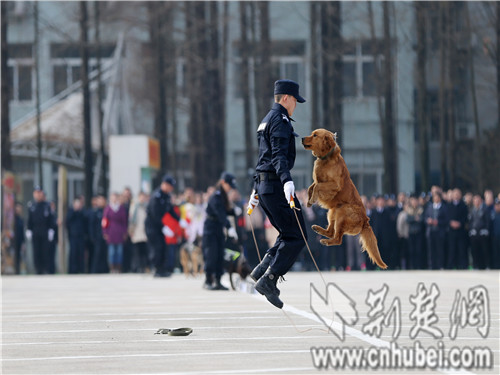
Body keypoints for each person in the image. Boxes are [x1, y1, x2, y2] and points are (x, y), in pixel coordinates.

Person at [247, 79, 307, 309]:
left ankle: (263, 268)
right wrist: (287, 181)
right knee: (297, 235)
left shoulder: (265, 120)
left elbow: (263, 158)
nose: (296, 105)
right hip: (275, 186)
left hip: (265, 187)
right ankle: (269, 280)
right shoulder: (280, 120)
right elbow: (278, 157)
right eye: (295, 101)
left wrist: (255, 189)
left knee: (287, 232)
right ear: (285, 98)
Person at [202, 172, 239, 290]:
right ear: (223, 182)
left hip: (218, 228)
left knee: (219, 255)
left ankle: (218, 280)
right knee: (211, 255)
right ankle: (208, 280)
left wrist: (234, 211)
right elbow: (220, 214)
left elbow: (224, 212)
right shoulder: (216, 196)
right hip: (211, 229)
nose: (230, 189)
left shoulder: (222, 196)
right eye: (229, 185)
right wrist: (229, 227)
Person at [145, 174, 180, 277]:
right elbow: (155, 215)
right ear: (164, 184)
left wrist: (179, 220)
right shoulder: (156, 196)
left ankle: (162, 269)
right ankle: (156, 269)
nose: (171, 189)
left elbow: (170, 210)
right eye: (170, 186)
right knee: (157, 247)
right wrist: (164, 227)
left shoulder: (166, 196)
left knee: (163, 247)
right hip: (152, 226)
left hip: (159, 226)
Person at [26, 186, 55, 274]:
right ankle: (38, 270)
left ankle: (45, 269)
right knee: (36, 251)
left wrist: (51, 230)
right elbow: (29, 220)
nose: (38, 195)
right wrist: (28, 230)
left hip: (45, 231)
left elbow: (51, 219)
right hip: (35, 231)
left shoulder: (47, 205)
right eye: (36, 193)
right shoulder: (31, 205)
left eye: (40, 192)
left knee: (45, 251)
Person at [102, 192, 129, 273]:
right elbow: (104, 221)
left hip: (119, 232)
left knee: (119, 251)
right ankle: (112, 267)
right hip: (110, 232)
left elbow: (124, 221)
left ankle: (118, 267)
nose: (114, 199)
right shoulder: (108, 208)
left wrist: (125, 232)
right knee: (112, 252)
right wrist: (105, 232)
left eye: (115, 198)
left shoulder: (121, 208)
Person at [424, 192, 449, 270]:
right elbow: (425, 217)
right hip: (431, 231)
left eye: (437, 197)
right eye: (435, 197)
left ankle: (440, 265)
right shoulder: (429, 207)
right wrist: (428, 221)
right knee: (431, 250)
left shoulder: (444, 207)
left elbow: (446, 220)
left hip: (439, 231)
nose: (436, 199)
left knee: (440, 249)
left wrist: (437, 222)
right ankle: (432, 265)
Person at [447, 188, 469, 269]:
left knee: (461, 249)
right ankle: (451, 265)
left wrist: (460, 223)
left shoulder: (464, 205)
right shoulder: (449, 205)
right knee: (452, 249)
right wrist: (451, 223)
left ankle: (462, 265)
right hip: (452, 231)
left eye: (458, 194)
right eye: (455, 194)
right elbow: (447, 217)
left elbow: (465, 217)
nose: (456, 196)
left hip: (461, 231)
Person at [129, 191, 150, 273]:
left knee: (145, 250)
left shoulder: (147, 207)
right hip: (136, 231)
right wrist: (131, 230)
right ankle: (138, 267)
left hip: (145, 231)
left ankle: (145, 266)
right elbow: (131, 219)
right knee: (137, 251)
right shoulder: (134, 207)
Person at [66, 197, 87, 273]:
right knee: (73, 253)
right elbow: (67, 222)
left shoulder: (82, 212)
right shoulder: (71, 212)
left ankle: (81, 270)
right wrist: (75, 211)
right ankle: (72, 270)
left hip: (81, 236)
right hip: (73, 236)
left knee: (81, 254)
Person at [89, 195, 108, 273]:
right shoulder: (95, 212)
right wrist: (92, 236)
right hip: (98, 236)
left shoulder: (107, 211)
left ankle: (104, 270)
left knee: (104, 254)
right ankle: (95, 270)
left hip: (106, 236)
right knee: (97, 254)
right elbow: (91, 225)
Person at [14, 202, 25, 274]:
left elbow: (22, 233)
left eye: (19, 207)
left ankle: (17, 271)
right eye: (17, 207)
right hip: (12, 241)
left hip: (19, 241)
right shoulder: (11, 219)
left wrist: (23, 243)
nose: (18, 209)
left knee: (18, 257)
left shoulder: (21, 220)